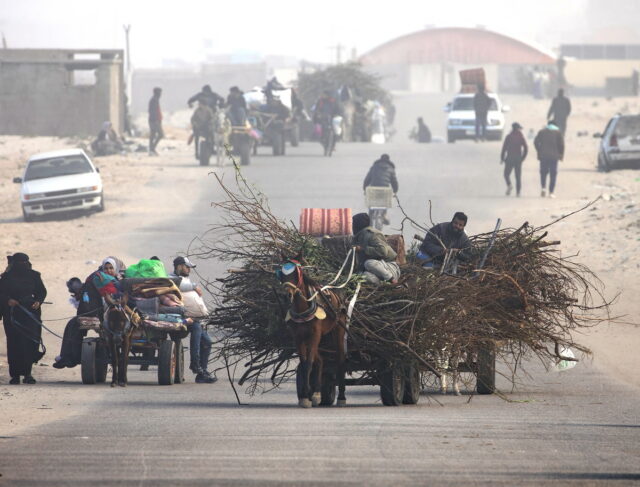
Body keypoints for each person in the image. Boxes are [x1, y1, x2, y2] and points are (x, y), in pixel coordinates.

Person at [53, 257, 125, 369]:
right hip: (96, 312)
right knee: (73, 324)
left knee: (74, 324)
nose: (108, 270)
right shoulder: (100, 278)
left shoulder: (118, 279)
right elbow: (108, 293)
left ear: (116, 268)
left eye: (111, 268)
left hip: (110, 313)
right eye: (106, 268)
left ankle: (69, 357)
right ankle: (69, 356)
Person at [0, 253, 47, 384]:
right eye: (20, 262)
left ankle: (27, 374)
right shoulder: (6, 278)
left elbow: (42, 292)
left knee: (30, 343)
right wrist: (8, 300)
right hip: (12, 315)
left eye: (24, 262)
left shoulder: (34, 275)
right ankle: (15, 376)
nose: (22, 265)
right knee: (14, 344)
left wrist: (38, 301)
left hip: (30, 314)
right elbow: (1, 293)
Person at [169, 256, 216, 384]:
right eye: (187, 266)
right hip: (181, 317)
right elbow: (178, 285)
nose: (189, 269)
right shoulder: (172, 278)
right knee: (196, 329)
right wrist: (194, 286)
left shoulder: (186, 279)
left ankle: (202, 371)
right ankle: (195, 365)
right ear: (179, 266)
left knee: (207, 342)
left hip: (195, 318)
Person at [351, 213, 400, 285]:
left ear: (358, 224)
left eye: (353, 223)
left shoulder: (372, 234)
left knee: (368, 263)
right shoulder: (359, 237)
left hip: (389, 268)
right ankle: (384, 285)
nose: (352, 226)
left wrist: (362, 249)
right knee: (363, 276)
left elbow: (383, 251)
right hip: (377, 271)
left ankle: (392, 280)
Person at [363, 154, 399, 225]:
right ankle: (384, 215)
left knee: (372, 203)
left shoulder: (374, 167)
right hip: (385, 190)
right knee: (385, 201)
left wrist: (364, 189)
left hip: (373, 189)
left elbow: (367, 179)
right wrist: (395, 191)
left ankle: (370, 216)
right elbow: (394, 182)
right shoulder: (391, 169)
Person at [534, 120, 564, 198]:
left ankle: (543, 188)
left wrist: (539, 150)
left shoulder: (542, 132)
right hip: (554, 157)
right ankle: (551, 192)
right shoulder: (558, 133)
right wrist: (561, 155)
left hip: (543, 156)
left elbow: (536, 142)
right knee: (553, 174)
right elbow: (561, 145)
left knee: (543, 172)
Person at [500, 122, 528, 197]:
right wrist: (523, 158)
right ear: (518, 129)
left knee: (506, 174)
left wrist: (502, 158)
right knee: (518, 176)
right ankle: (518, 192)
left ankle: (509, 185)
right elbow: (526, 148)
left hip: (509, 158)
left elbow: (504, 148)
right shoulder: (521, 137)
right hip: (518, 159)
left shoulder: (508, 136)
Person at [148, 87, 163, 156]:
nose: (160, 94)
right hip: (154, 120)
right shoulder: (154, 100)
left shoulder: (155, 100)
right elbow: (153, 112)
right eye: (159, 93)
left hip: (154, 120)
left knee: (153, 134)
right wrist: (156, 121)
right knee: (161, 134)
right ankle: (152, 148)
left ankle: (151, 149)